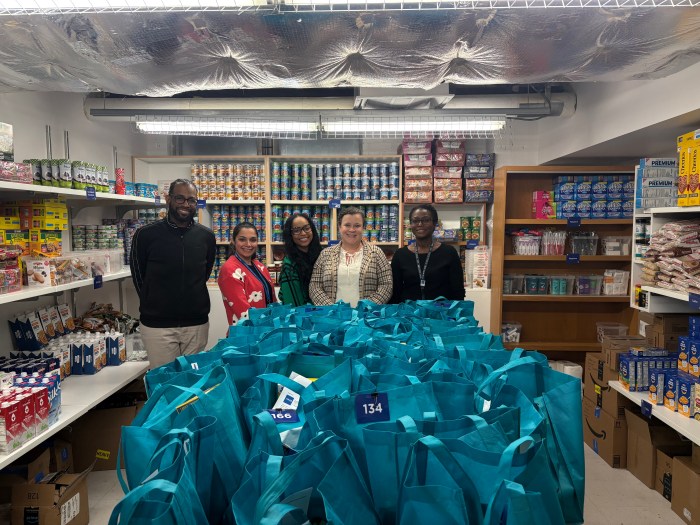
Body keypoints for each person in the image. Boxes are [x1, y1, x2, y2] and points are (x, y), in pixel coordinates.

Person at [130, 178, 216, 369]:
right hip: (158, 327)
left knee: (194, 382)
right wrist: (154, 303)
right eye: (180, 198)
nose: (186, 204)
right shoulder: (145, 235)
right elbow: (138, 276)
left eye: (191, 200)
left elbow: (204, 273)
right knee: (164, 381)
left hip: (196, 324)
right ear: (168, 199)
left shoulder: (207, 236)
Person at [309, 206, 392, 307]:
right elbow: (315, 286)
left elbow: (386, 286)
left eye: (357, 225)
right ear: (339, 227)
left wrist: (366, 307)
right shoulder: (325, 254)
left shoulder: (376, 253)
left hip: (367, 315)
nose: (352, 230)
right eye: (347, 225)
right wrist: (332, 309)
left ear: (363, 227)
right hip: (333, 315)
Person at [391, 204, 466, 302]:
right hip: (410, 310)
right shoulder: (400, 255)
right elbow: (395, 292)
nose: (420, 224)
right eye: (415, 221)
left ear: (434, 223)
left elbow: (458, 290)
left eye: (426, 220)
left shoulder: (449, 253)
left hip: (441, 310)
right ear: (410, 224)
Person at [218, 222, 276, 327]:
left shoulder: (260, 266)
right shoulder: (230, 269)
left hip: (267, 329)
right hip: (249, 331)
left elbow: (272, 301)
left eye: (253, 240)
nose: (248, 244)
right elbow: (243, 312)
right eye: (242, 239)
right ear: (233, 241)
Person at [279, 213, 322, 306]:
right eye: (296, 230)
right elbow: (293, 305)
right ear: (290, 235)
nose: (303, 233)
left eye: (306, 228)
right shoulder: (289, 265)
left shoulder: (321, 255)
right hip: (304, 313)